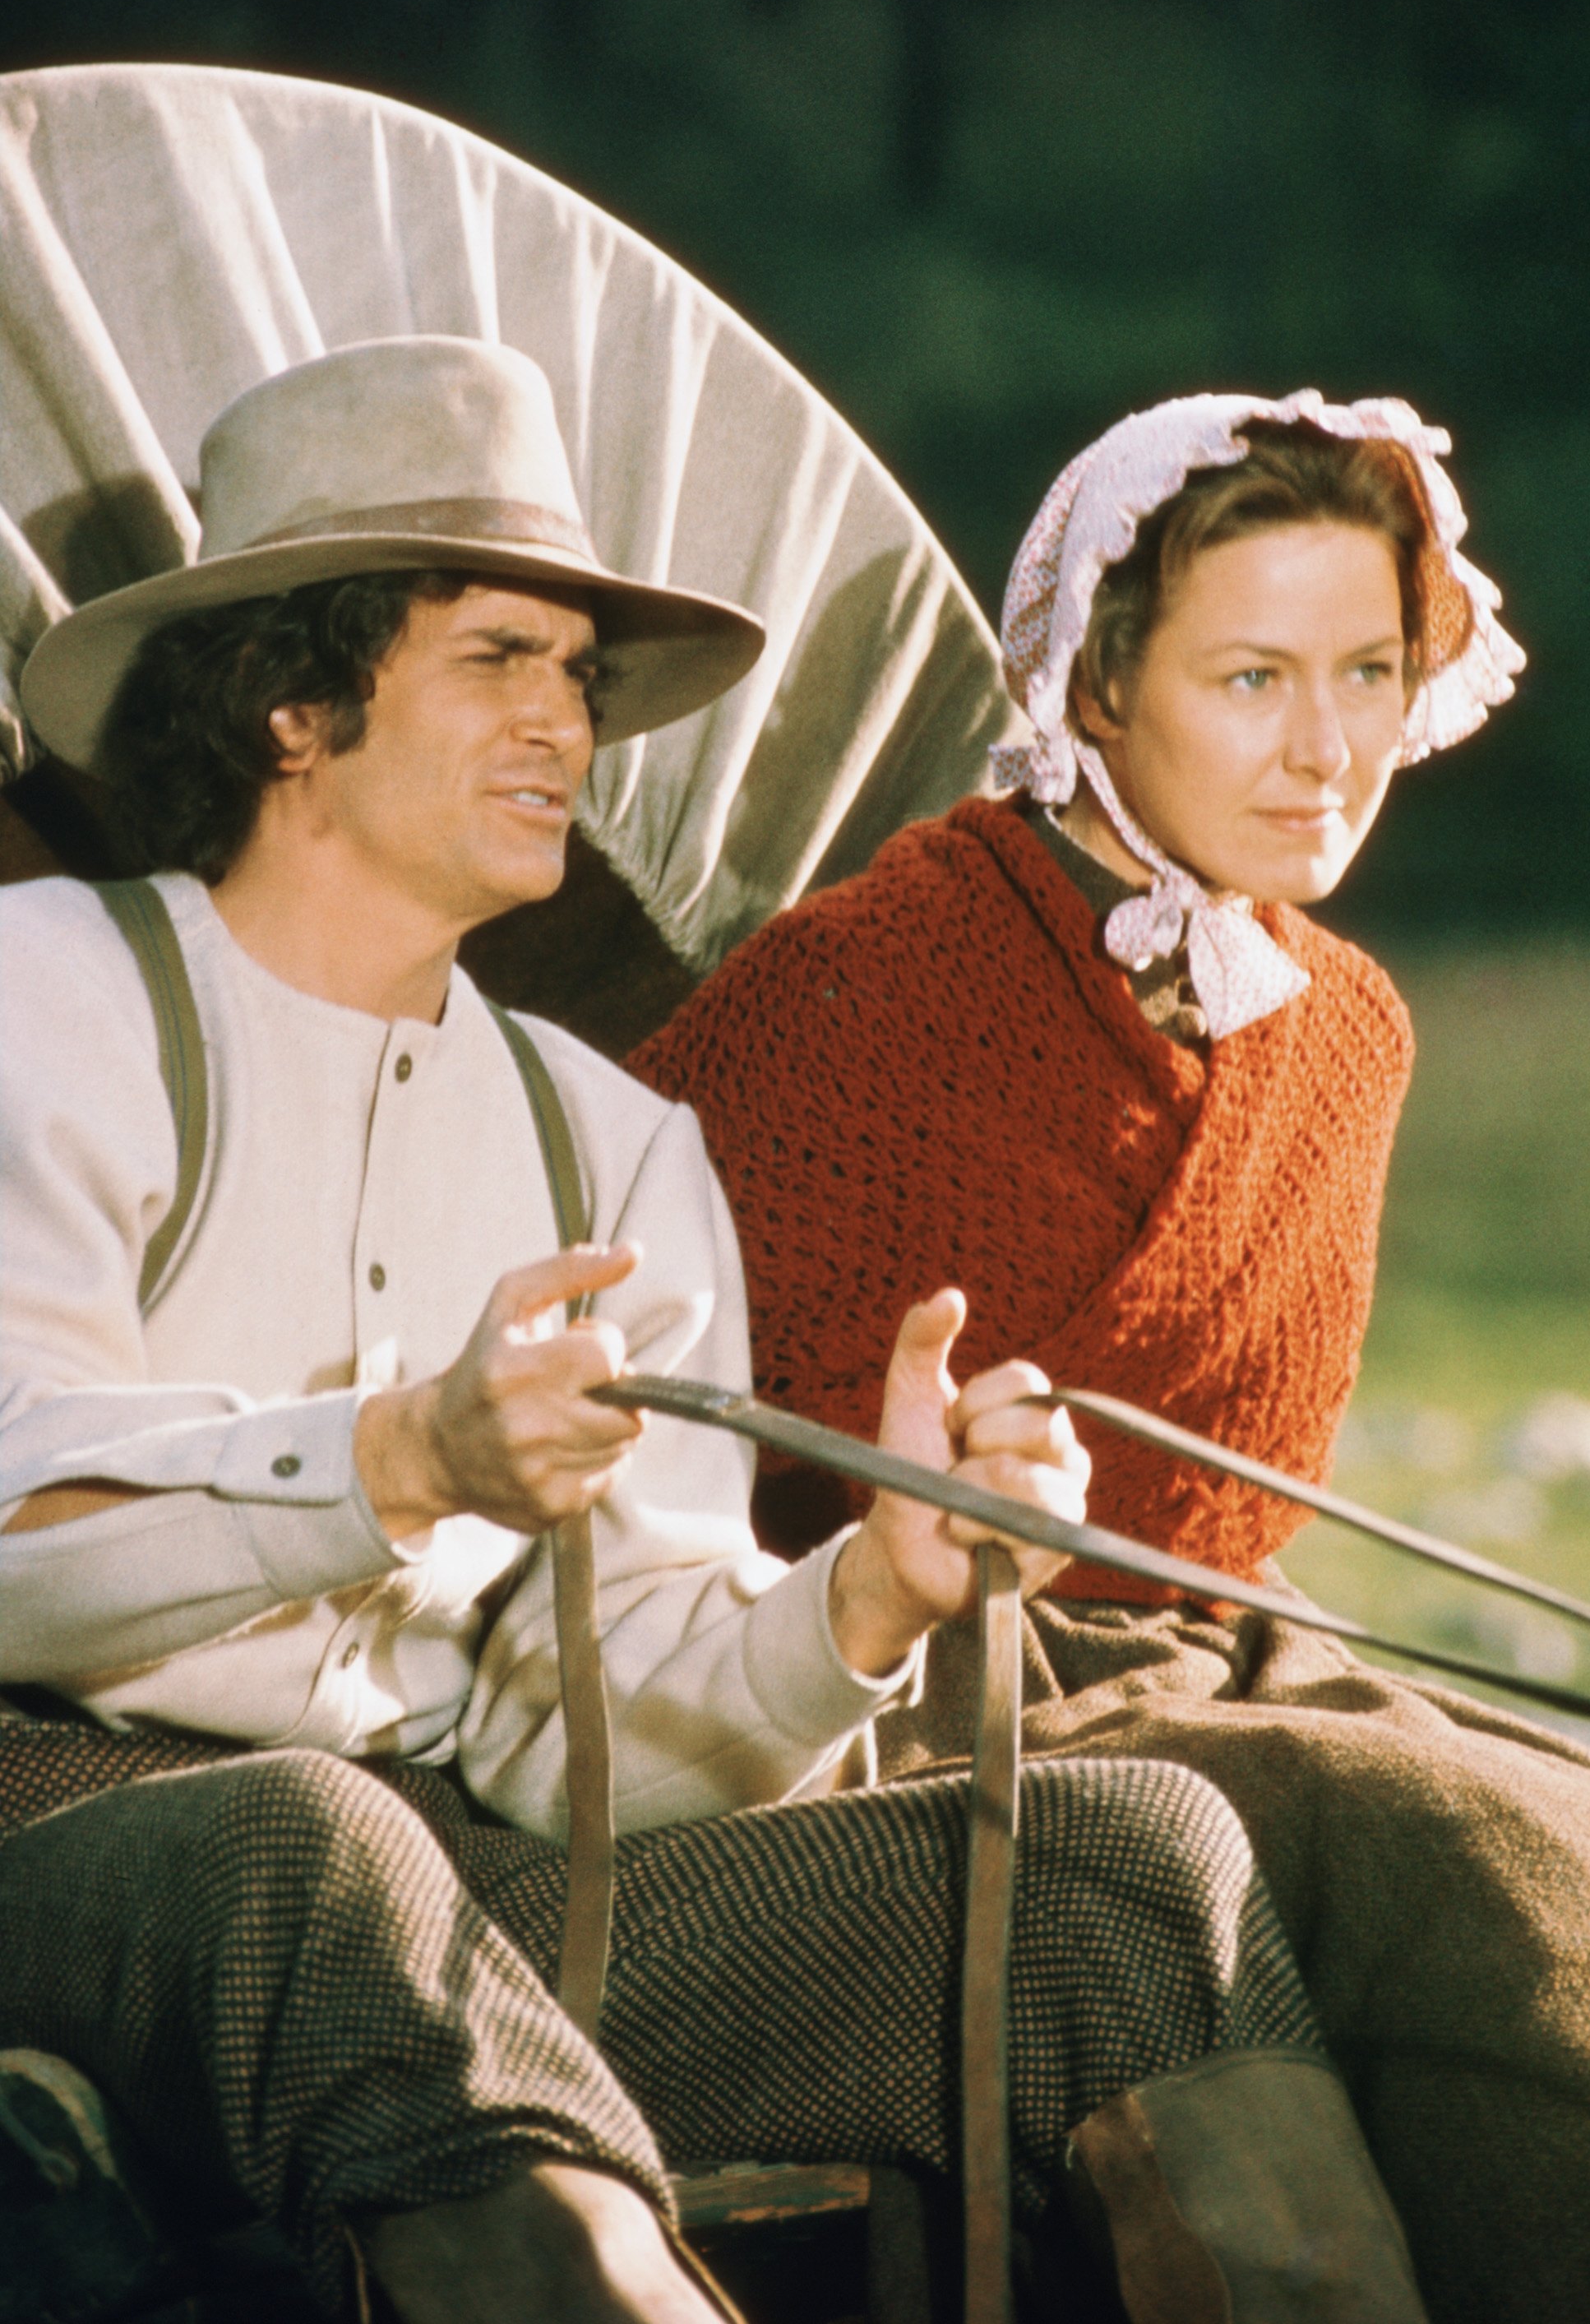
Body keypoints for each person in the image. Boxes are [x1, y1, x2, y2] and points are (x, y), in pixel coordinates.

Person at [0, 342, 1431, 2324]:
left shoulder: (614, 1144)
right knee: (310, 1847)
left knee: (1142, 1872)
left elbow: (597, 1733)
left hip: (469, 1890)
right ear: (293, 699)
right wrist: (398, 1462)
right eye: (499, 659)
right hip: (65, 1838)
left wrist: (872, 1589)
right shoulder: (40, 999)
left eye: (580, 677)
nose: (565, 727)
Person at [634, 391, 1590, 2323]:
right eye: (1251, 678)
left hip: (1213, 1652)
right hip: (888, 1683)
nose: (1329, 751)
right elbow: (653, 1405)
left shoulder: (1347, 1034)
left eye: (1367, 674)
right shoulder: (871, 972)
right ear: (1093, 687)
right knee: (1457, 1853)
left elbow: (1231, 1509)